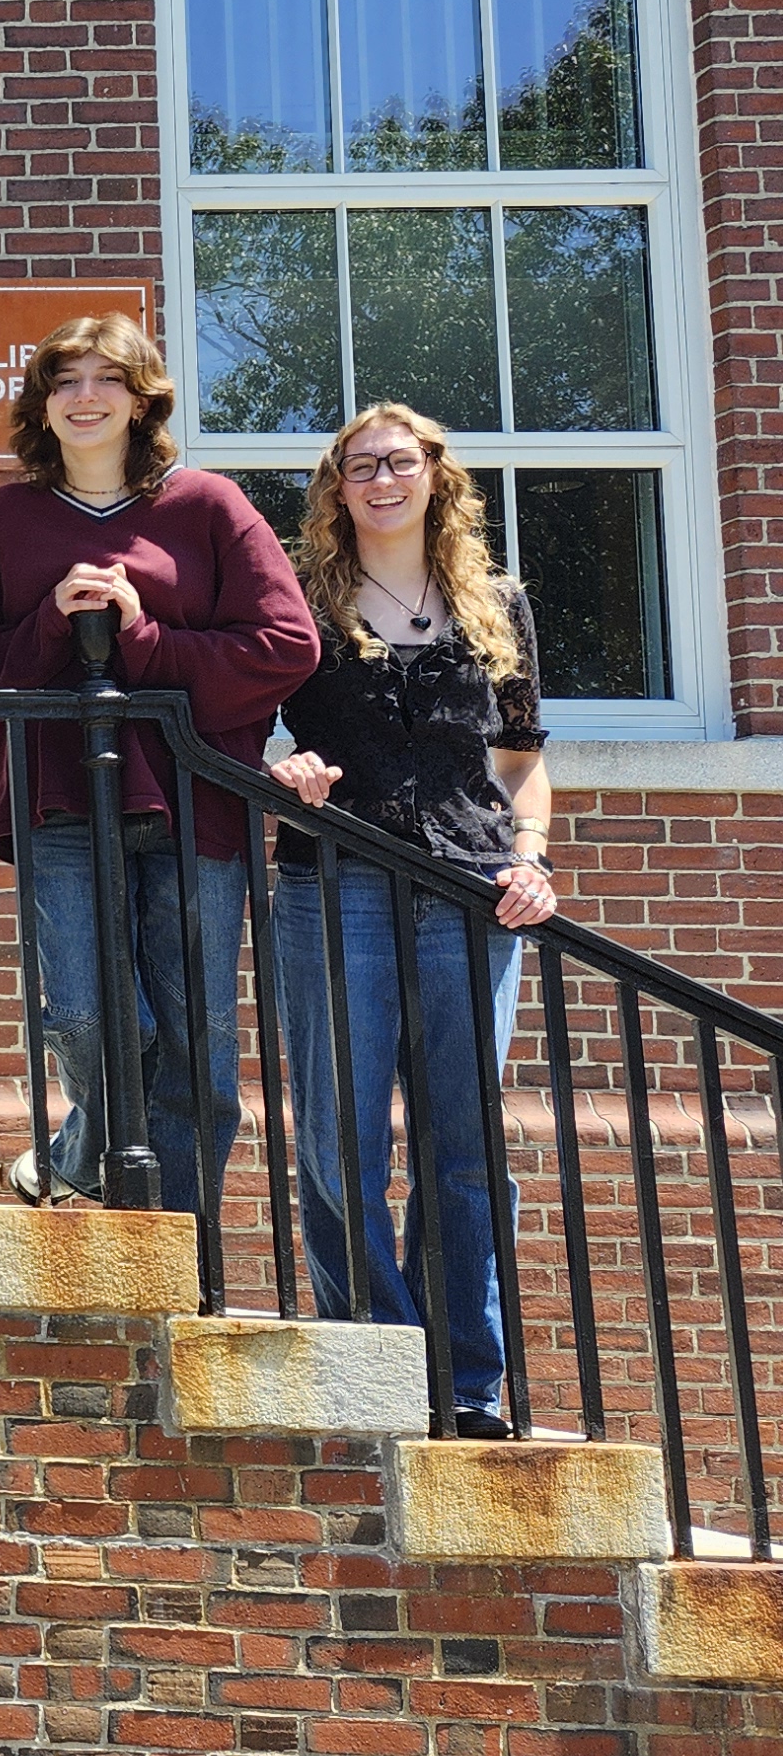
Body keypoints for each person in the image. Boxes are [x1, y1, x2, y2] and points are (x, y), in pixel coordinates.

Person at [0, 313, 315, 1212]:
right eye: (65, 381)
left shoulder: (208, 505)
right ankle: (90, 1148)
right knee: (86, 1016)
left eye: (107, 379)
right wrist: (53, 619)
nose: (85, 397)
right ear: (43, 404)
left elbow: (286, 644)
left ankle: (178, 1246)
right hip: (60, 799)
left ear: (141, 399)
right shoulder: (3, 518)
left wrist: (145, 638)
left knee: (196, 1047)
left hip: (195, 805)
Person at [268, 404, 556, 1441]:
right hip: (334, 881)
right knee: (340, 1139)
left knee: (465, 1148)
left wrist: (532, 859)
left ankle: (469, 1385)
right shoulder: (300, 601)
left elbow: (521, 763)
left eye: (399, 461)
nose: (381, 480)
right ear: (335, 488)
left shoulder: (498, 603)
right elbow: (240, 724)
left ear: (435, 473)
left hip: (471, 896)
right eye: (359, 466)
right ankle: (382, 1364)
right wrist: (284, 765)